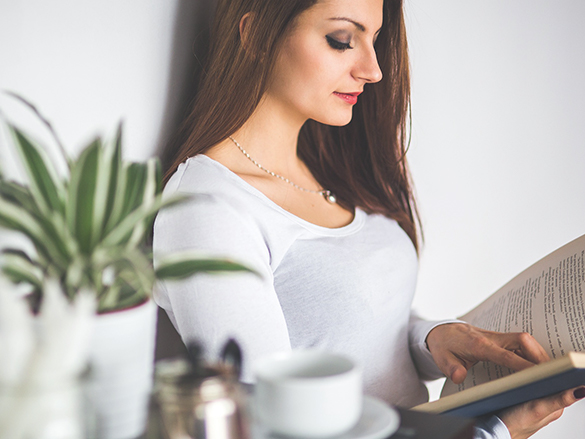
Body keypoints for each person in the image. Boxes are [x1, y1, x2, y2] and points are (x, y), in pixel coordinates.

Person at [153, 1, 584, 438]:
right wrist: (492, 434)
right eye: (342, 40)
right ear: (256, 36)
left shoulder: (326, 168)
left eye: (374, 41)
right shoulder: (208, 208)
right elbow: (272, 425)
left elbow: (350, 327)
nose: (374, 70)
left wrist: (433, 338)